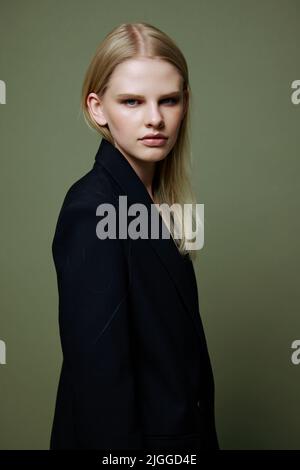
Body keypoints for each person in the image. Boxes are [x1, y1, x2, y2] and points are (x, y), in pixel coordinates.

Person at [50, 22, 219, 450]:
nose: (155, 118)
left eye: (169, 100)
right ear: (97, 109)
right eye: (131, 101)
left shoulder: (159, 201)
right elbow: (99, 389)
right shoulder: (93, 208)